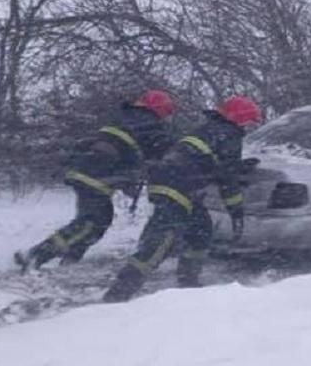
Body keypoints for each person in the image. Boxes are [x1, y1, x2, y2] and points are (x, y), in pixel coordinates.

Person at [102, 95, 262, 303]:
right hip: (178, 187)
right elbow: (227, 179)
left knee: (201, 231)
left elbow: (207, 162)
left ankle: (189, 284)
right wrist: (236, 210)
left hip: (174, 183)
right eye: (248, 121)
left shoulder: (210, 129)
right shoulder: (229, 135)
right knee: (162, 242)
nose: (247, 126)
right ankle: (119, 292)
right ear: (238, 118)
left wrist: (236, 167)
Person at [15, 90, 177, 271]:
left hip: (86, 169)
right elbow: (163, 152)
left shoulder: (127, 116)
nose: (167, 119)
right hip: (96, 175)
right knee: (93, 222)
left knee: (94, 220)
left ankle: (70, 260)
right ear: (160, 109)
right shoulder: (151, 125)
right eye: (167, 113)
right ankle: (36, 255)